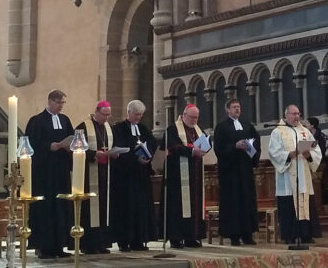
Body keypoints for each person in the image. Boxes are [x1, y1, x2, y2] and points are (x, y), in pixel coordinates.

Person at [25, 90, 75, 259]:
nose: (61, 106)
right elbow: (31, 144)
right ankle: (43, 246)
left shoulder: (65, 120)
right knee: (46, 208)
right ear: (50, 101)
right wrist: (49, 146)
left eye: (63, 103)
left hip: (60, 171)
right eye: (58, 102)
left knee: (61, 206)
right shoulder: (37, 121)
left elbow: (72, 138)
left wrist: (68, 146)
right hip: (44, 173)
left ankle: (60, 245)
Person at [268, 105, 323, 244]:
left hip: (303, 175)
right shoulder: (278, 132)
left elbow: (317, 151)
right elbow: (274, 153)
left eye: (298, 114)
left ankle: (306, 234)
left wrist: (309, 155)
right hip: (287, 176)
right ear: (286, 115)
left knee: (305, 202)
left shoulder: (305, 131)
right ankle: (290, 235)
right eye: (293, 114)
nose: (297, 117)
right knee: (289, 204)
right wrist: (290, 154)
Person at [212, 98, 261, 246]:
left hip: (245, 170)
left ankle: (248, 234)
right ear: (227, 110)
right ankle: (234, 236)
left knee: (247, 201)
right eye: (234, 107)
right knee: (233, 202)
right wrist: (234, 146)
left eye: (238, 107)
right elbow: (219, 148)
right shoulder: (221, 127)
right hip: (230, 172)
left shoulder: (247, 125)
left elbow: (256, 142)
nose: (237, 109)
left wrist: (251, 148)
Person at [111, 99, 157, 252]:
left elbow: (151, 143)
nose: (138, 118)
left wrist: (146, 155)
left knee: (141, 208)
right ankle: (124, 241)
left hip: (141, 175)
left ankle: (139, 240)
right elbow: (119, 147)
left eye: (141, 115)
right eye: (136, 114)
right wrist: (135, 156)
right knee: (127, 209)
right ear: (128, 112)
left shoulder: (143, 128)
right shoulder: (118, 129)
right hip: (125, 177)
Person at [162, 104, 208, 248]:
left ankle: (192, 236)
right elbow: (171, 146)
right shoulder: (173, 129)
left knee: (195, 204)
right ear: (184, 114)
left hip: (195, 172)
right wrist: (191, 151)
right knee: (177, 205)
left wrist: (205, 146)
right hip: (177, 174)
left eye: (197, 117)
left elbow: (205, 142)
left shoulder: (198, 129)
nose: (195, 120)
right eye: (192, 117)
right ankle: (176, 237)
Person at [73, 101, 115, 255]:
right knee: (90, 209)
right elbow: (76, 148)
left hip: (105, 174)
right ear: (96, 112)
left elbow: (112, 145)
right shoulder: (83, 127)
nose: (106, 117)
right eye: (104, 114)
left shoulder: (108, 128)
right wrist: (94, 154)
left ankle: (101, 242)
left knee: (103, 208)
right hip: (88, 175)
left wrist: (114, 153)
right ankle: (88, 244)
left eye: (108, 114)